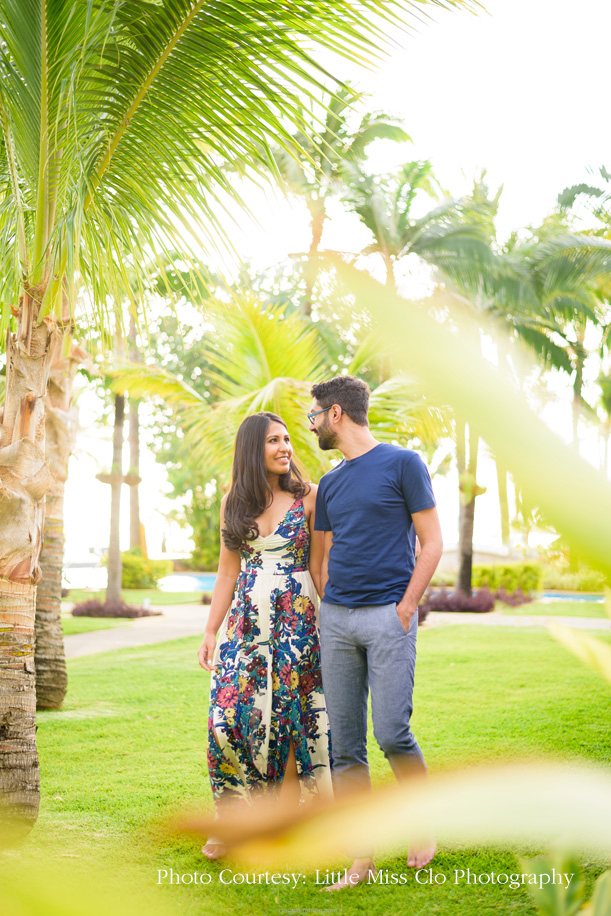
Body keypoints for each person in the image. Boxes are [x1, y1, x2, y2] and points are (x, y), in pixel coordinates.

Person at [308, 376, 443, 890]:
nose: (313, 423)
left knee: (391, 733)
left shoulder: (403, 463)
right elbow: (320, 560)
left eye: (314, 414)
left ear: (335, 413)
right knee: (345, 745)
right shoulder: (331, 483)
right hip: (337, 622)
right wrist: (330, 608)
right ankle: (359, 858)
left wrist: (406, 606)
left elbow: (431, 542)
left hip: (389, 618)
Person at [198, 411, 332, 859]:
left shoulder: (311, 497)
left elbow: (319, 568)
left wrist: (332, 622)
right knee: (227, 718)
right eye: (273, 441)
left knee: (293, 720)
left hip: (296, 621)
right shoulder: (232, 501)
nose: (285, 448)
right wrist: (211, 630)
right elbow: (227, 571)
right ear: (253, 450)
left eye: (288, 439)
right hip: (245, 623)